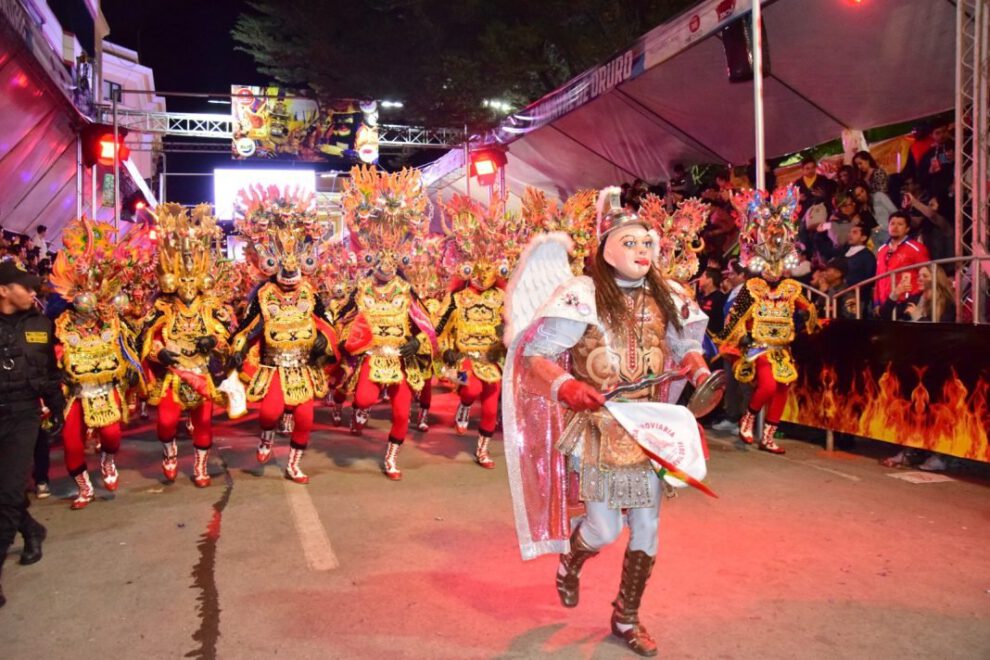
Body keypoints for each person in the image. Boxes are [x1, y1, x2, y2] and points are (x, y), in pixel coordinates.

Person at [502, 186, 711, 657]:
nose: (642, 251)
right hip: (601, 426)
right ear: (605, 248)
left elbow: (684, 345)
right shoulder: (581, 294)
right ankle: (572, 559)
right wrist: (566, 386)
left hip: (651, 425)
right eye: (631, 242)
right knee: (604, 530)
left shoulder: (670, 293)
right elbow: (535, 354)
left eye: (647, 243)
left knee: (649, 528)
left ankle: (625, 617)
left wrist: (697, 367)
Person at [230, 186, 340, 484]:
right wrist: (239, 347)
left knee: (305, 418)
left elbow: (327, 321)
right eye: (283, 263)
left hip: (303, 366)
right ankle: (265, 437)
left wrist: (325, 340)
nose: (290, 270)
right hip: (274, 366)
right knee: (269, 412)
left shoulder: (311, 292)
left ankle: (294, 463)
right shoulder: (264, 294)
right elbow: (250, 326)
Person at [336, 166, 437, 480]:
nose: (387, 266)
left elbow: (426, 325)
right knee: (364, 398)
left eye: (393, 261)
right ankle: (359, 412)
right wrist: (348, 342)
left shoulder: (407, 291)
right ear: (372, 260)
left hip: (401, 358)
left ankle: (392, 458)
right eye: (382, 261)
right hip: (372, 355)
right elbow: (344, 319)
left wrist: (416, 343)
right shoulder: (362, 290)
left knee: (401, 411)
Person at [717, 186, 821, 453]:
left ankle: (769, 436)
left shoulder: (791, 289)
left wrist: (811, 316)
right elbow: (733, 318)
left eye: (779, 265)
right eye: (769, 265)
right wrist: (739, 337)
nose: (774, 271)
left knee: (783, 387)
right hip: (759, 346)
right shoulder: (751, 289)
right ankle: (748, 417)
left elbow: (809, 309)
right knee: (767, 385)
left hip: (781, 348)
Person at [48, 217, 142, 509]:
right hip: (75, 393)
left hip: (104, 388)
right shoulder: (60, 325)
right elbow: (51, 359)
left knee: (112, 436)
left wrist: (134, 383)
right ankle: (84, 487)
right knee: (72, 445)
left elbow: (129, 355)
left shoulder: (113, 323)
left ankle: (107, 459)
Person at [140, 204, 233, 487]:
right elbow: (147, 336)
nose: (189, 283)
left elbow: (225, 334)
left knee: (204, 424)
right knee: (166, 423)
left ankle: (200, 466)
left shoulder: (210, 305)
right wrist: (160, 353)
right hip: (174, 374)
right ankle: (169, 454)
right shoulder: (162, 306)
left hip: (201, 373)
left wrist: (213, 340)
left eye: (194, 277)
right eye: (183, 277)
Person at [434, 195, 527, 468]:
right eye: (477, 268)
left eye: (489, 268)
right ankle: (463, 407)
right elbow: (438, 328)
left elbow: (515, 325)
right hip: (463, 360)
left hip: (491, 360)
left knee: (490, 403)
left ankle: (482, 450)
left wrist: (509, 339)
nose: (483, 274)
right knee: (469, 391)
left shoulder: (501, 297)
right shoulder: (457, 298)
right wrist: (444, 351)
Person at [0, 261, 63, 608]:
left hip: (25, 416)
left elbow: (50, 373)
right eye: (25, 287)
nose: (33, 293)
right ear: (4, 291)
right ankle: (32, 529)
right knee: (4, 492)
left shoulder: (41, 324)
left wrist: (58, 409)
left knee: (9, 492)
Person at [874, 212, 930, 313]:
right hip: (885, 304)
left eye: (900, 224)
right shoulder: (881, 249)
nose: (895, 227)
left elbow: (926, 276)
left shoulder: (916, 248)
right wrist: (877, 302)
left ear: (907, 229)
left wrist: (915, 300)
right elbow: (878, 277)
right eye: (892, 223)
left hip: (906, 302)